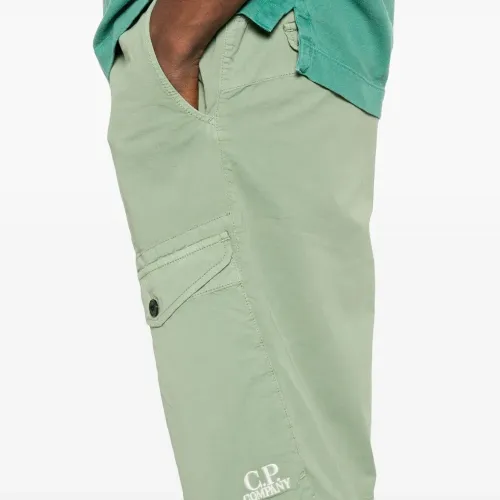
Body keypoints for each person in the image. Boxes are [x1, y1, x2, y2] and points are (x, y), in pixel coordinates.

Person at [93, 0, 394, 498]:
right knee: (311, 454)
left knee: (276, 473)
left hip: (236, 46)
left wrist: (173, 42)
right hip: (265, 53)